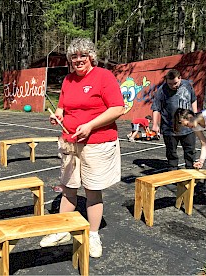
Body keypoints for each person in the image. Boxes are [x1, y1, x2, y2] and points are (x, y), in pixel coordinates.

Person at [39, 38, 124, 258]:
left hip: (97, 142)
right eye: (74, 57)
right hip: (69, 141)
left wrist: (90, 126)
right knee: (68, 187)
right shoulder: (68, 80)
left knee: (92, 190)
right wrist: (58, 116)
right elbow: (62, 107)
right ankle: (62, 230)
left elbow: (118, 108)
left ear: (91, 57)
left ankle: (93, 235)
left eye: (82, 55)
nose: (78, 60)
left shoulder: (103, 76)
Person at [151, 69, 198, 170]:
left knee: (190, 151)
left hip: (187, 126)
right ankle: (173, 171)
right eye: (170, 84)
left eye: (175, 83)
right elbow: (156, 108)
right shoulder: (162, 90)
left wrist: (195, 116)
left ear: (180, 78)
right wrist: (155, 124)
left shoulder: (187, 85)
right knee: (171, 152)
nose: (173, 86)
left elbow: (193, 100)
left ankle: (190, 170)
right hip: (169, 128)